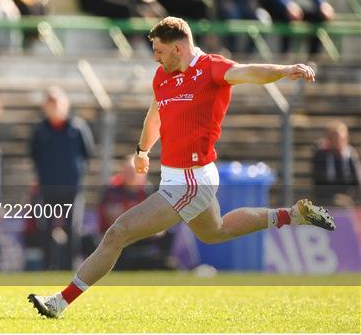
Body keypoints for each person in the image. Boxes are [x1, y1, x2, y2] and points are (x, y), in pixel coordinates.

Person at [28, 16, 336, 318]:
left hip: (191, 179)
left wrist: (285, 70)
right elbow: (155, 115)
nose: (155, 58)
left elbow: (249, 72)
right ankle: (291, 215)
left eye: (159, 51)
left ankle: (60, 302)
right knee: (216, 232)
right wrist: (143, 149)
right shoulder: (163, 76)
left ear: (178, 49)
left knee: (116, 233)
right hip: (178, 177)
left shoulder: (210, 68)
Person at [29, 86, 94, 270]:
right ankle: (47, 266)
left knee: (72, 229)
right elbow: (34, 154)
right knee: (46, 228)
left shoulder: (77, 127)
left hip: (72, 188)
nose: (55, 107)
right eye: (51, 103)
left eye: (58, 102)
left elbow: (87, 152)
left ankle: (70, 268)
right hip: (47, 187)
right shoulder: (40, 130)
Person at [93, 155, 173, 270]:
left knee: (168, 233)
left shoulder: (147, 190)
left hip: (140, 234)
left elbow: (159, 222)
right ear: (123, 172)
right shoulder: (112, 190)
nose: (132, 175)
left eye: (135, 172)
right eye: (129, 171)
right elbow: (115, 219)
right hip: (120, 235)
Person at [258, 0, 335, 55]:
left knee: (318, 17)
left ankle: (312, 59)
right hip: (270, 8)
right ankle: (285, 56)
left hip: (289, 8)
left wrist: (322, 4)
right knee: (288, 19)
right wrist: (287, 5)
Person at [311, 121, 361, 205]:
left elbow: (358, 183)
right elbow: (318, 185)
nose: (336, 142)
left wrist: (348, 199)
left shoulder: (352, 155)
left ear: (346, 138)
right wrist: (334, 198)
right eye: (332, 138)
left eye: (339, 139)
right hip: (328, 202)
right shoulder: (320, 155)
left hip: (349, 201)